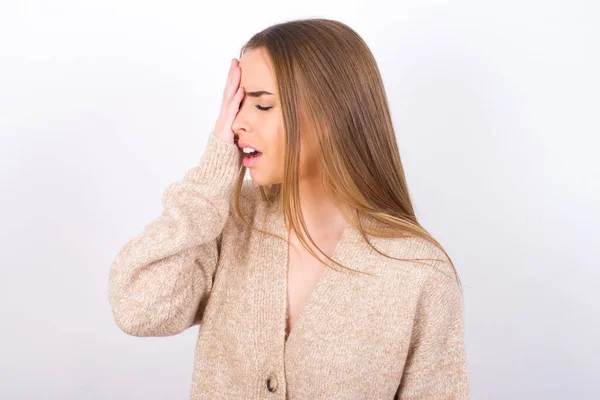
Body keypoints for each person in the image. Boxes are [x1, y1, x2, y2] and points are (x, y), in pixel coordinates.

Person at [108, 17, 469, 399]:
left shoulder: (417, 272)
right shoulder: (230, 222)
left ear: (332, 115)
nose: (237, 124)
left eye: (262, 105)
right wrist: (212, 175)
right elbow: (137, 307)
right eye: (237, 104)